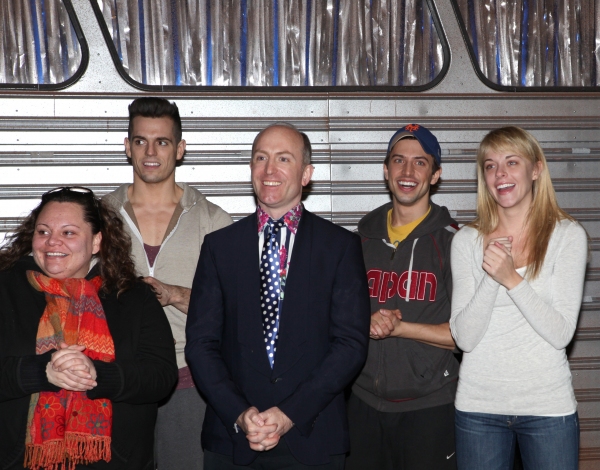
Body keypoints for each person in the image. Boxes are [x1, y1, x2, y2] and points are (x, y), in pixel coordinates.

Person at [185, 122, 371, 469]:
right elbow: (200, 344)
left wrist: (289, 414)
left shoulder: (340, 247)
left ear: (306, 174)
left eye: (283, 158)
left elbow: (350, 345)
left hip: (312, 436)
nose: (269, 170)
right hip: (233, 439)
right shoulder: (219, 247)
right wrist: (240, 414)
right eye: (261, 158)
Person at [0, 186, 177, 470]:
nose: (52, 243)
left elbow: (160, 376)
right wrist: (42, 372)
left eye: (68, 233)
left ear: (96, 242)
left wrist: (97, 374)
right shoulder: (5, 288)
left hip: (116, 462)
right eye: (43, 232)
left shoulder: (132, 297)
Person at [103, 97, 232, 470]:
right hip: (120, 378)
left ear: (180, 149)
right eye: (140, 140)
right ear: (127, 147)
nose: (150, 151)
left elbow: (237, 309)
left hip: (188, 379)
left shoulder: (212, 220)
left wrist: (174, 294)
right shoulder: (101, 216)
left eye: (162, 141)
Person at [450, 126, 588, 470]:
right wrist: (492, 279)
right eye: (490, 165)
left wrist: (511, 278)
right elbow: (464, 338)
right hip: (478, 407)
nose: (501, 174)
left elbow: (561, 334)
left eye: (512, 162)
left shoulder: (568, 236)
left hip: (547, 408)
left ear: (536, 169)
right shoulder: (466, 240)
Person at [346, 124, 459, 470]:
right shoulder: (358, 241)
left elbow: (465, 335)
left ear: (436, 174)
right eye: (398, 160)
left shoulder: (455, 243)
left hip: (430, 408)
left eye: (420, 163)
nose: (407, 172)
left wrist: (400, 327)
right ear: (386, 170)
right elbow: (335, 320)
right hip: (362, 404)